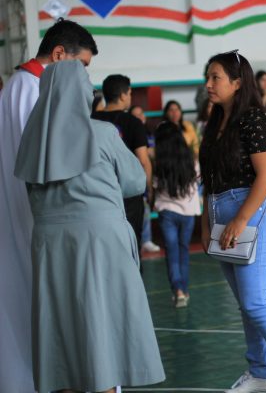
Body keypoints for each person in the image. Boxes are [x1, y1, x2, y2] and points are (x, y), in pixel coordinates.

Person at [14, 59, 165, 393]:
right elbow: (135, 182)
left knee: (60, 333)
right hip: (99, 243)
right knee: (103, 330)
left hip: (50, 246)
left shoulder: (31, 141)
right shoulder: (103, 133)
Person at [199, 50, 266, 393]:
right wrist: (206, 222)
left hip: (252, 211)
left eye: (215, 77)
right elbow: (210, 178)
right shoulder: (215, 121)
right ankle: (260, 374)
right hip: (221, 212)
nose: (208, 84)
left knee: (256, 301)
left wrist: (240, 219)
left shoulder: (254, 119)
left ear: (237, 82)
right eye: (207, 77)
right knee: (247, 304)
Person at [0, 18, 97, 393]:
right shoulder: (36, 90)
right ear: (59, 55)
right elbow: (52, 161)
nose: (85, 76)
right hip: (38, 217)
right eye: (82, 65)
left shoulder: (16, 86)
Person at [93, 74, 153, 261]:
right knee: (131, 250)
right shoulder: (133, 122)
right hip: (129, 195)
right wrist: (148, 190)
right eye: (130, 93)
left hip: (98, 193)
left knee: (104, 252)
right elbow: (143, 160)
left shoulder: (91, 120)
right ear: (122, 95)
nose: (130, 97)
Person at [154, 121, 200, 308]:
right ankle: (184, 290)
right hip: (188, 212)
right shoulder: (191, 160)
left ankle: (178, 290)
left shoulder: (159, 162)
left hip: (167, 212)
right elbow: (197, 182)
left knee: (172, 252)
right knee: (183, 250)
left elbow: (155, 185)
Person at [130, 104, 161, 254]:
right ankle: (145, 240)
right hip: (138, 179)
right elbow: (144, 157)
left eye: (141, 113)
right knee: (143, 208)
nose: (140, 117)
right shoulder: (130, 135)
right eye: (136, 115)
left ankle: (146, 240)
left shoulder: (150, 134)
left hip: (155, 176)